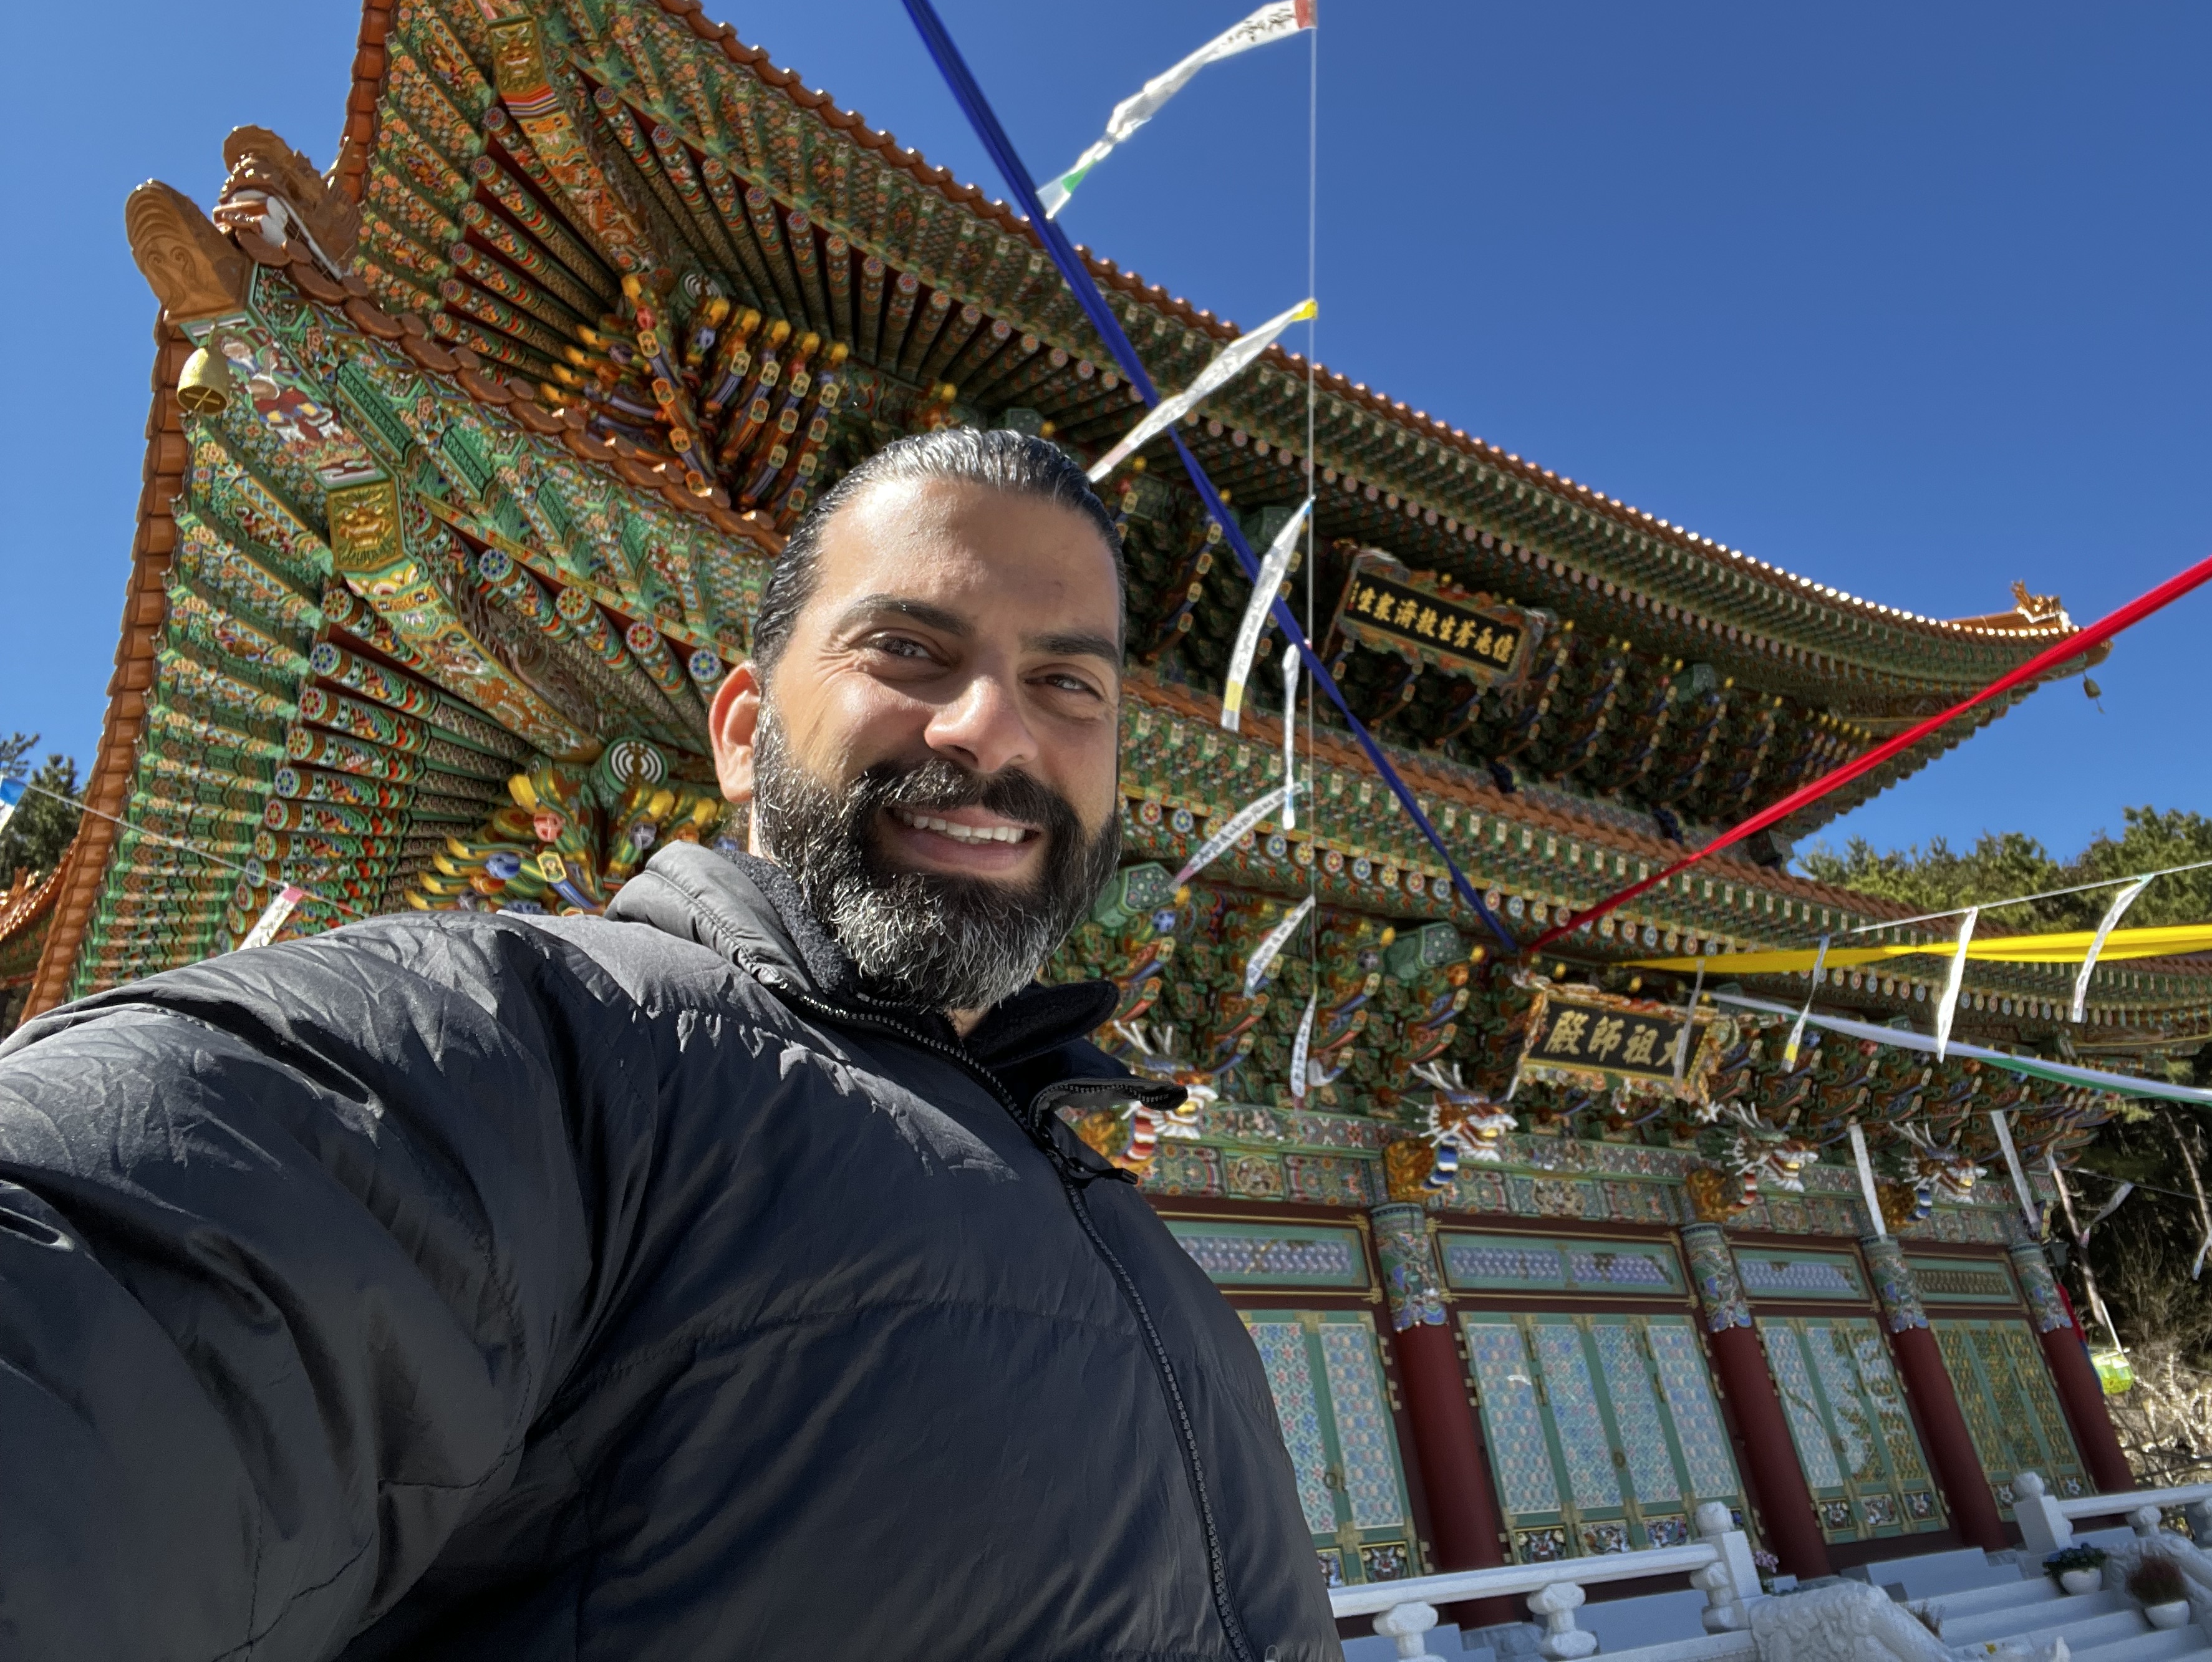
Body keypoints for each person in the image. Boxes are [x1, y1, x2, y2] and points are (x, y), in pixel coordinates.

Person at [0, 430, 1341, 1661]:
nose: (993, 727)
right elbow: (110, 1284)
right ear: (746, 735)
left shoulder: (1146, 1255)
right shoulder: (547, 1058)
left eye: (1067, 682)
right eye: (908, 650)